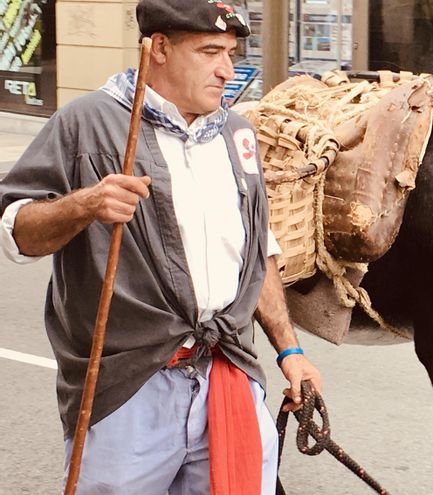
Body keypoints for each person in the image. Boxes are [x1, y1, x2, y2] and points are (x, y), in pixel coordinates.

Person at [0, 0, 320, 493]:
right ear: (159, 49)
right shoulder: (88, 122)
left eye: (231, 53)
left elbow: (256, 254)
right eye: (210, 52)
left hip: (226, 374)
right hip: (129, 392)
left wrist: (290, 350)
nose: (226, 69)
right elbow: (15, 231)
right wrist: (85, 204)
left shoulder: (237, 134)